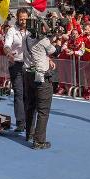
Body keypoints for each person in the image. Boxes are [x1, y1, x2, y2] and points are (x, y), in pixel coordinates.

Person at [23, 18, 57, 150]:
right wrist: (54, 38)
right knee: (43, 110)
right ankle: (39, 141)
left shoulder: (26, 38)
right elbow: (55, 51)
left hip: (29, 74)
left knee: (30, 106)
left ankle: (29, 134)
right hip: (41, 77)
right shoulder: (43, 41)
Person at [4, 8, 29, 132]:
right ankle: (20, 122)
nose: (23, 21)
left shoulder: (32, 30)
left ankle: (29, 120)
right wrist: (9, 54)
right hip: (16, 65)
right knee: (19, 93)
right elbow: (7, 45)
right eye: (21, 19)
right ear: (17, 18)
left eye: (25, 18)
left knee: (28, 94)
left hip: (29, 66)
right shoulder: (12, 31)